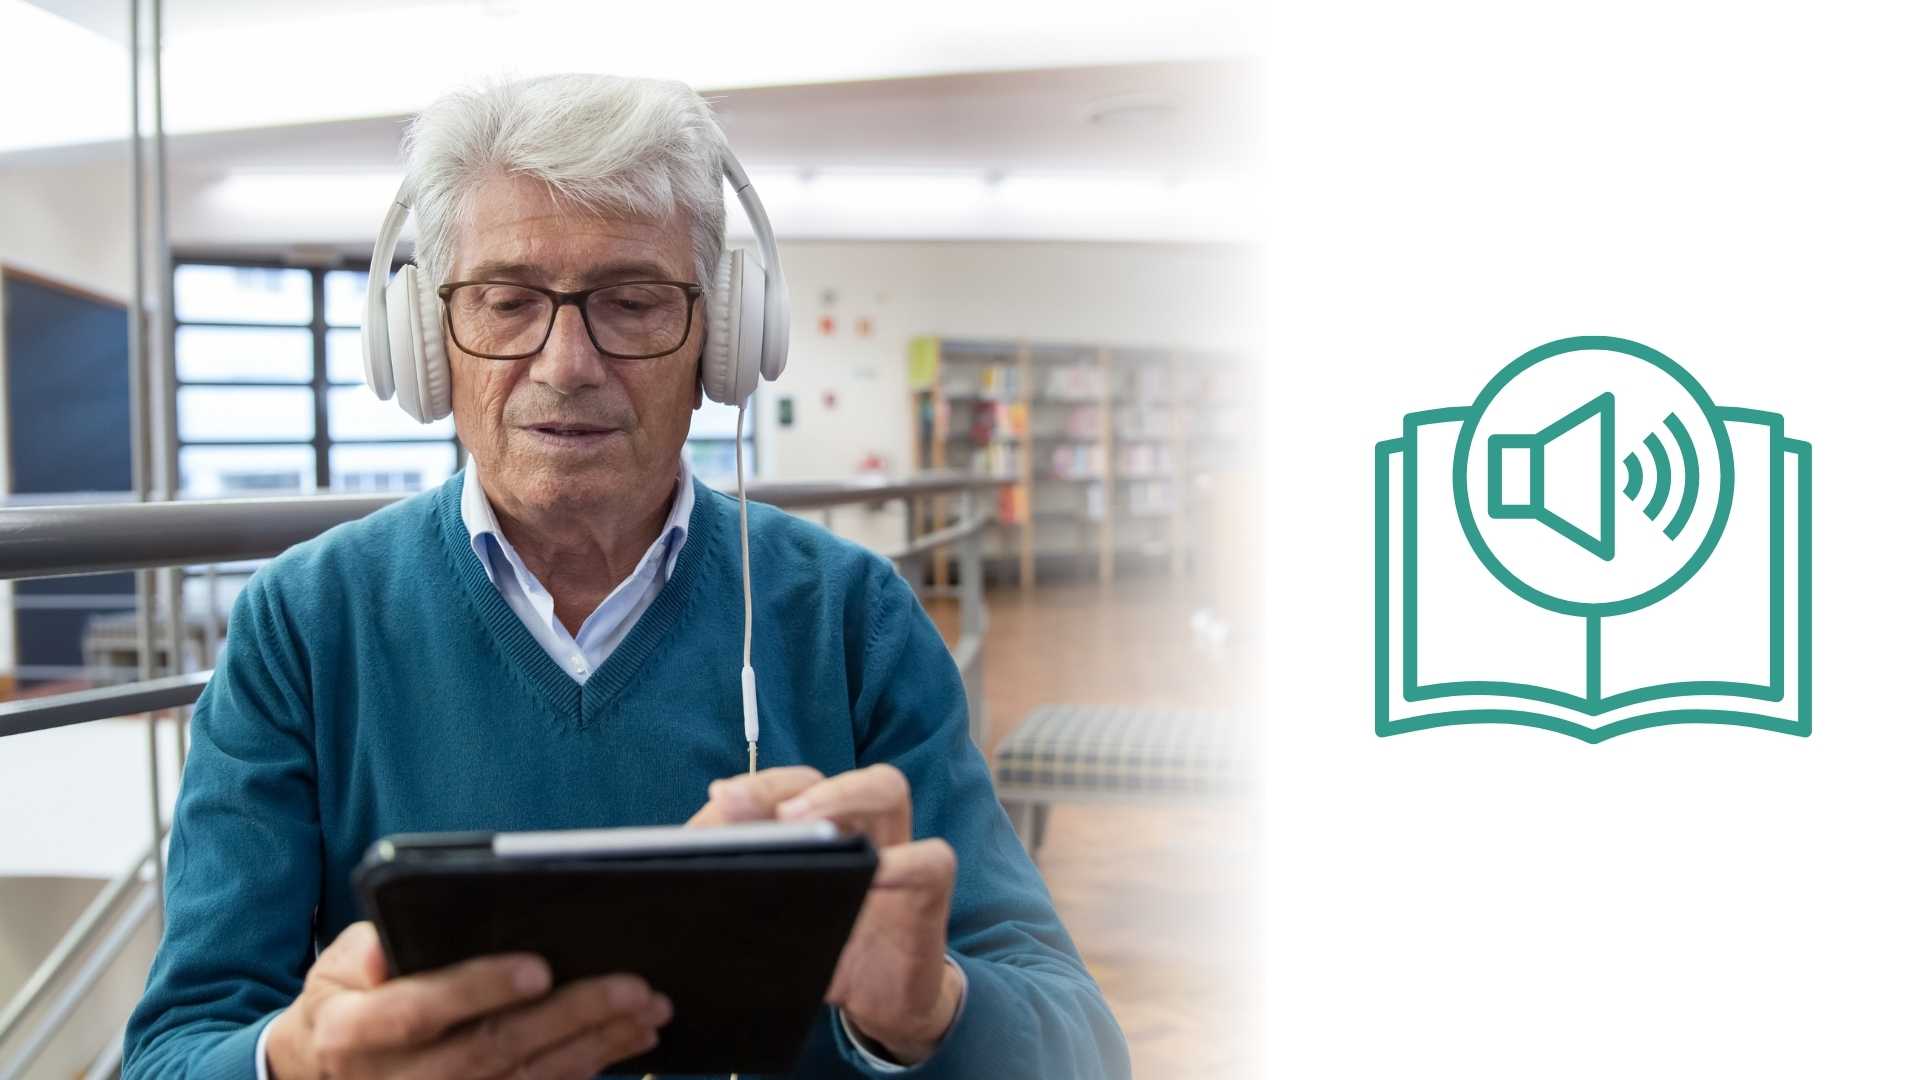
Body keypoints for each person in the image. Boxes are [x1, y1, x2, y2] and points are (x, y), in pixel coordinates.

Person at [120, 74, 1127, 1079]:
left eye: (633, 302)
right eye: (507, 302)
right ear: (429, 345)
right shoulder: (303, 626)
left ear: (720, 343)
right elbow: (175, 1050)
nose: (566, 363)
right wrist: (295, 1065)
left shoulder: (851, 619)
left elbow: (1082, 1045)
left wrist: (929, 1014)